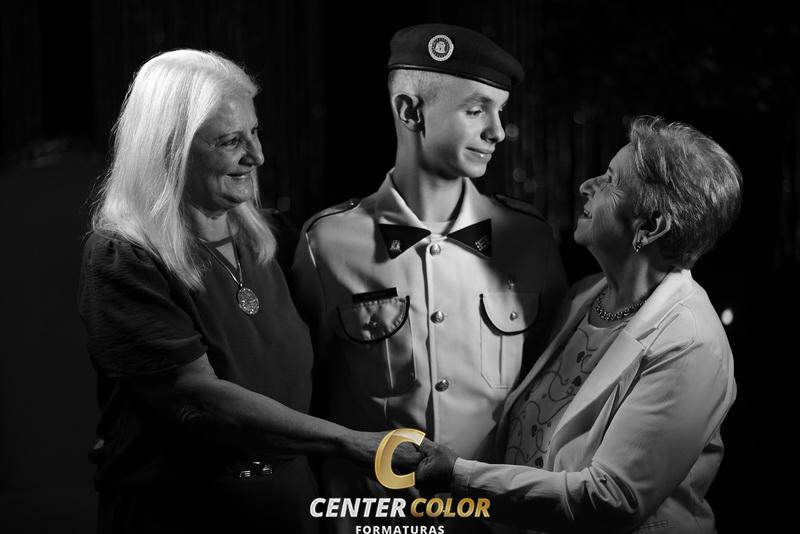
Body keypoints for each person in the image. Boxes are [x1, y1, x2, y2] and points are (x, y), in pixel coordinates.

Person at [79, 49, 415, 534]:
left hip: (290, 504)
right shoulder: (123, 257)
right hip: (182, 515)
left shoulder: (273, 237)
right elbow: (201, 401)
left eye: (254, 132)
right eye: (230, 141)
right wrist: (350, 442)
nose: (257, 156)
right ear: (169, 148)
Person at [290, 24, 567, 530]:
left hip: (495, 520)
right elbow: (301, 397)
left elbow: (553, 392)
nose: (497, 132)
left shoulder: (529, 240)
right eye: (476, 110)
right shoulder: (326, 244)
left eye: (500, 111)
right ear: (410, 111)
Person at [414, 116, 742, 534]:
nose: (587, 185)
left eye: (610, 180)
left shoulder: (691, 343)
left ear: (651, 226)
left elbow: (612, 499)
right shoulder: (583, 295)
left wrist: (458, 475)